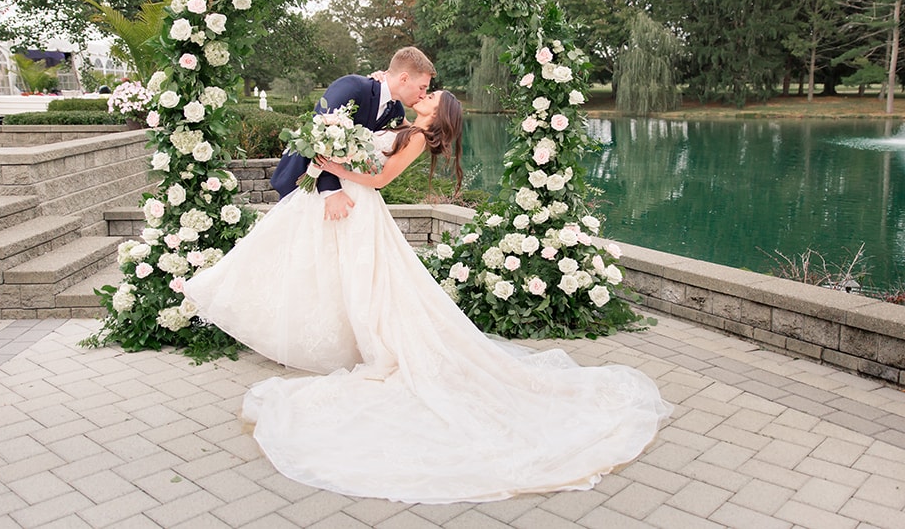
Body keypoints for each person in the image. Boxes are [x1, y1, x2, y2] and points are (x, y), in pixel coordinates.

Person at [184, 84, 671, 505]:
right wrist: (333, 162)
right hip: (353, 210)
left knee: (374, 288)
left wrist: (334, 165)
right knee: (355, 283)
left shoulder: (416, 137)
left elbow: (380, 179)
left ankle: (381, 346)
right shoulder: (399, 121)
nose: (426, 95)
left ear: (439, 115)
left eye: (432, 96)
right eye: (427, 90)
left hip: (364, 205)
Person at [269, 46, 434, 222]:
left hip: (349, 192)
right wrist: (330, 191)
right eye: (422, 87)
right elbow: (320, 135)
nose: (423, 95)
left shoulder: (395, 111)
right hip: (304, 181)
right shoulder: (352, 87)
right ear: (404, 78)